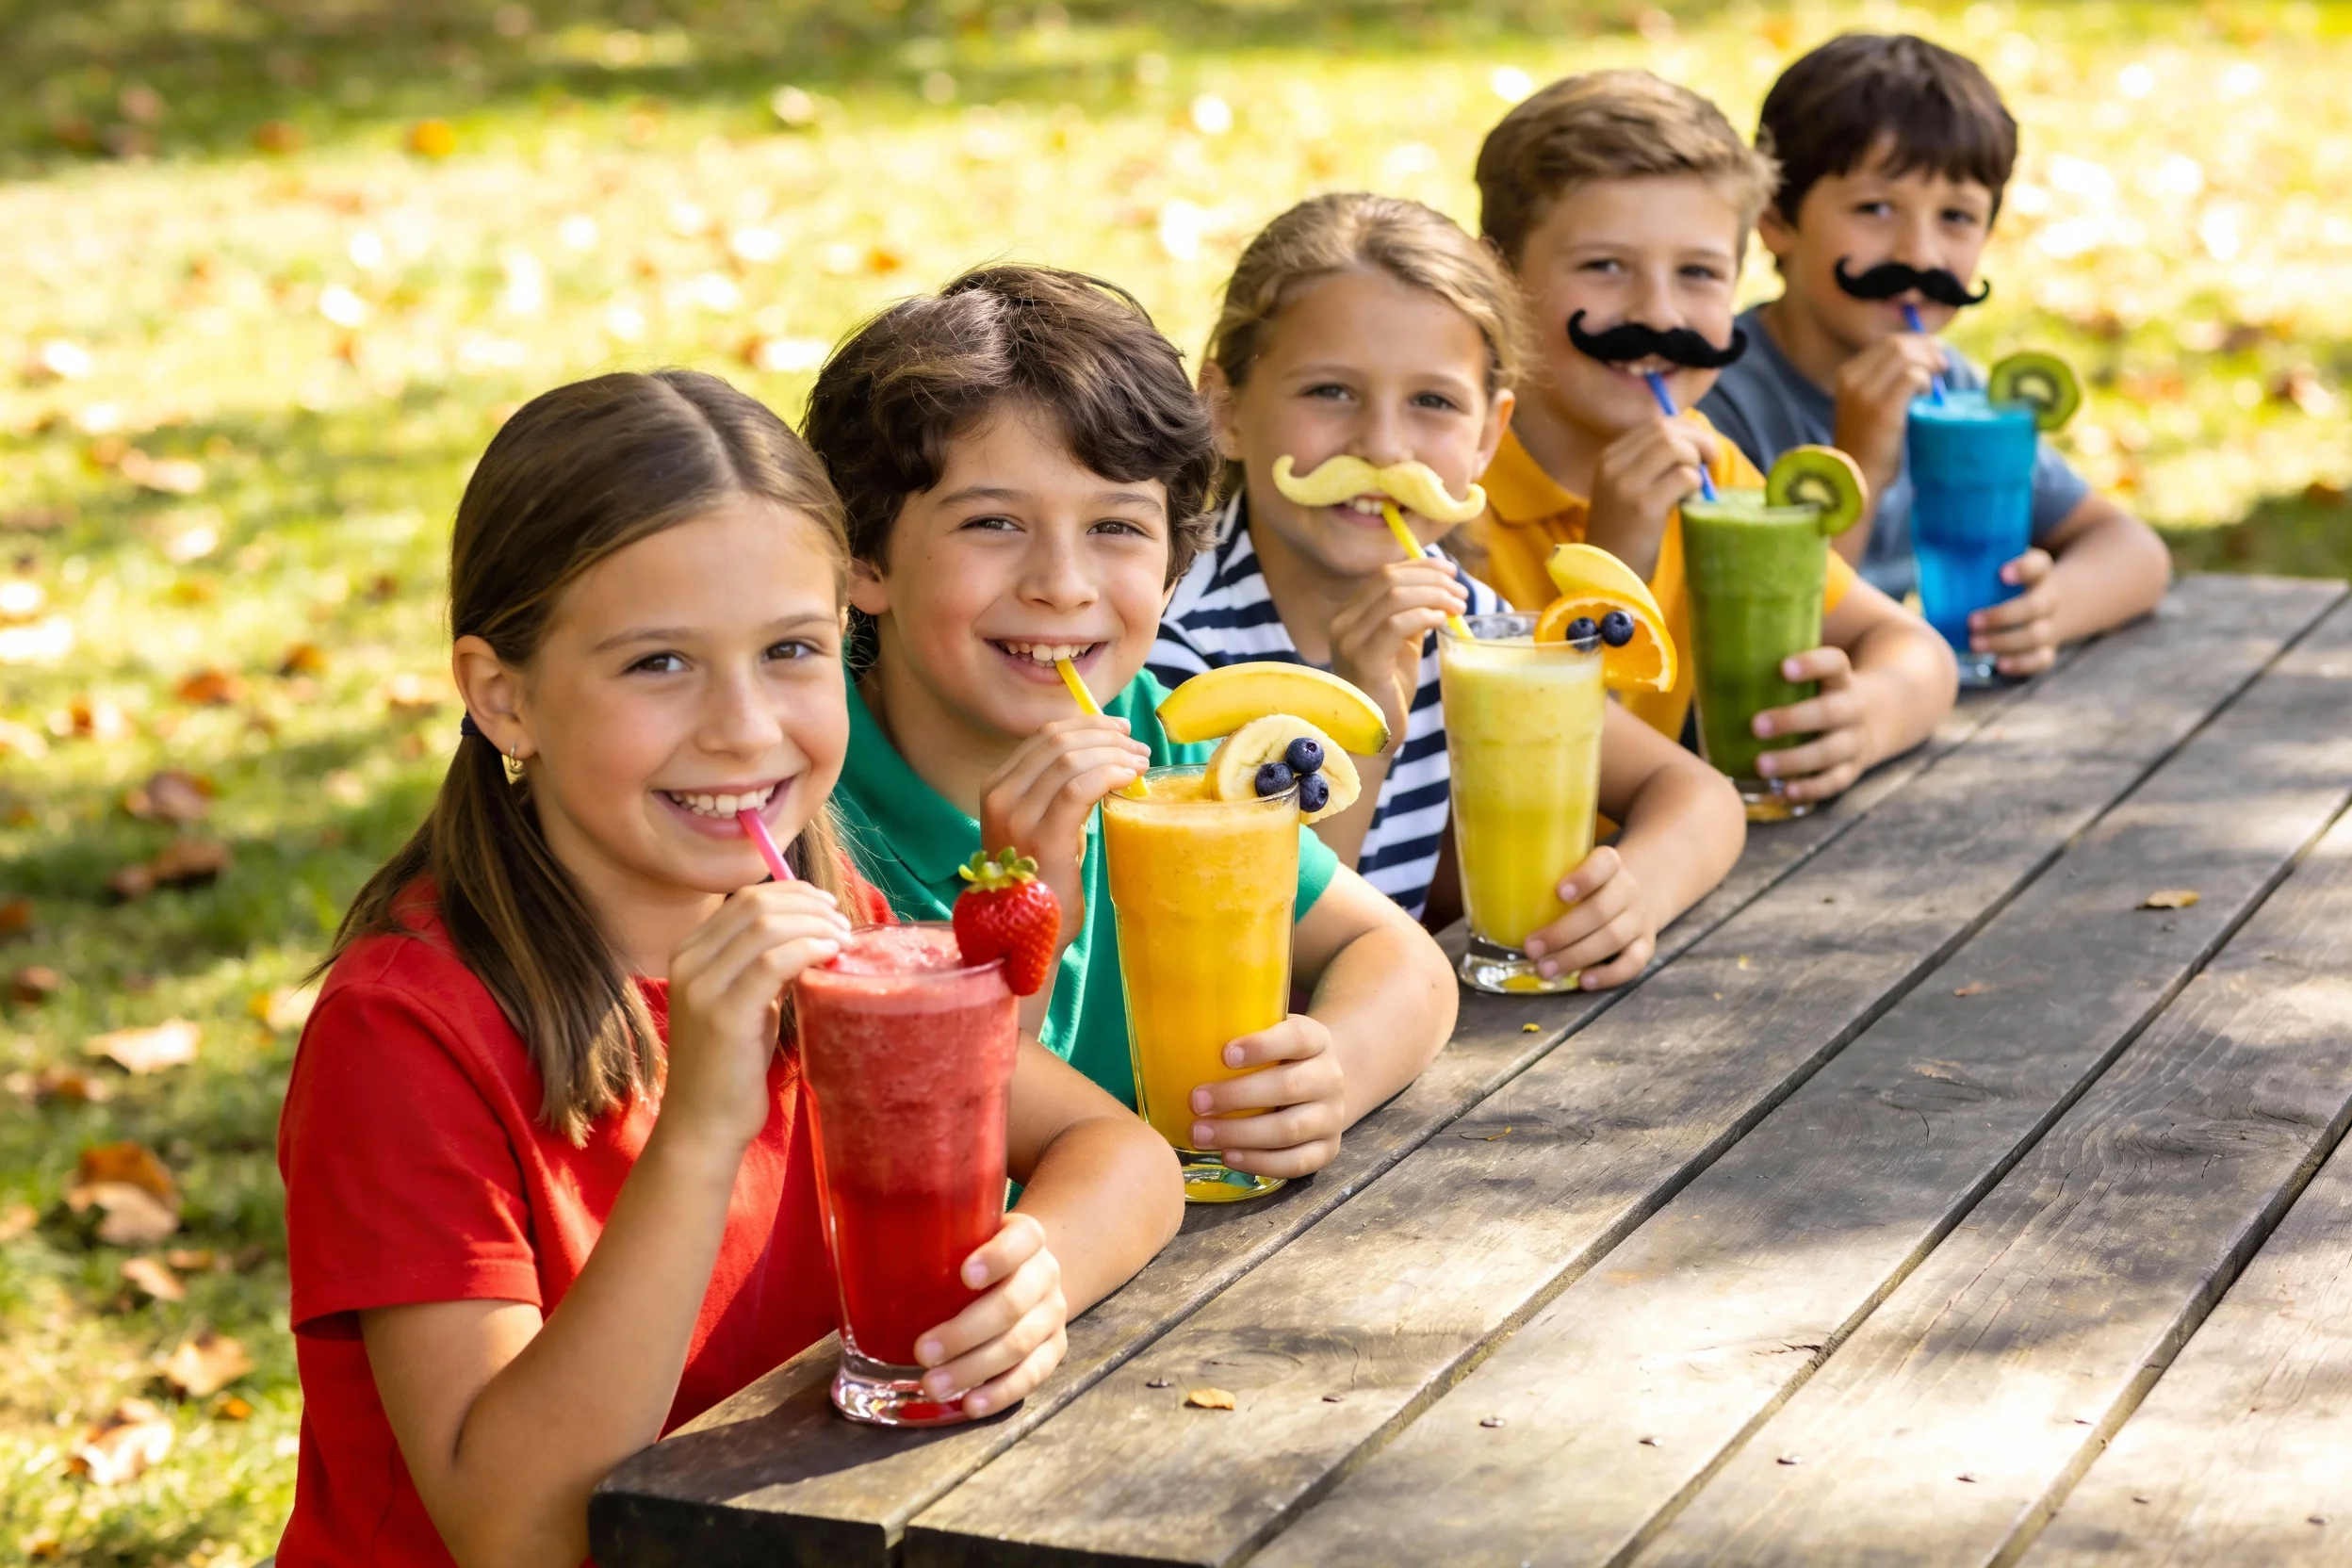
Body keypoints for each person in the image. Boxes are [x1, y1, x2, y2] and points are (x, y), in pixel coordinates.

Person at [276, 370, 1183, 1568]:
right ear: (505, 698)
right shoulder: (404, 1032)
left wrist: (1037, 1277)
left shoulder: (829, 928)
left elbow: (1124, 1154)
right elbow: (518, 1529)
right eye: (660, 663)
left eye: (792, 649)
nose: (745, 726)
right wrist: (701, 1126)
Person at [803, 265, 1459, 1184]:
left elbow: (1397, 955)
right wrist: (1029, 904)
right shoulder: (805, 797)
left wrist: (1328, 1075)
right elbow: (938, 1159)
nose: (1062, 584)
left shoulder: (1161, 740)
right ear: (865, 560)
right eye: (992, 523)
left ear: (1173, 567)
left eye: (1116, 528)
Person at [1151, 191, 1744, 984]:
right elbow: (1265, 963)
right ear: (1225, 411)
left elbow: (1698, 795)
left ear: (1489, 435)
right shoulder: (1170, 652)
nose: (1383, 447)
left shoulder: (1461, 621)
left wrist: (1637, 892)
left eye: (1432, 402)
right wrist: (1363, 717)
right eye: (1330, 392)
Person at [1464, 69, 1956, 808]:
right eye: (1605, 266)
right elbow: (1523, 790)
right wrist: (1613, 572)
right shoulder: (1450, 499)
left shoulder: (1709, 469)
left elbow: (1915, 649)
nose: (1659, 314)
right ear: (1495, 276)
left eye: (1698, 273)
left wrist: (1863, 721)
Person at [1699, 33, 2169, 675]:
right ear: (1776, 219)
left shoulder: (1954, 394)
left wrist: (2046, 612)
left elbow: (2135, 552)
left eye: (1956, 217)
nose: (1919, 254)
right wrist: (1859, 462)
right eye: (1875, 208)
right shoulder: (1718, 399)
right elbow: (1788, 640)